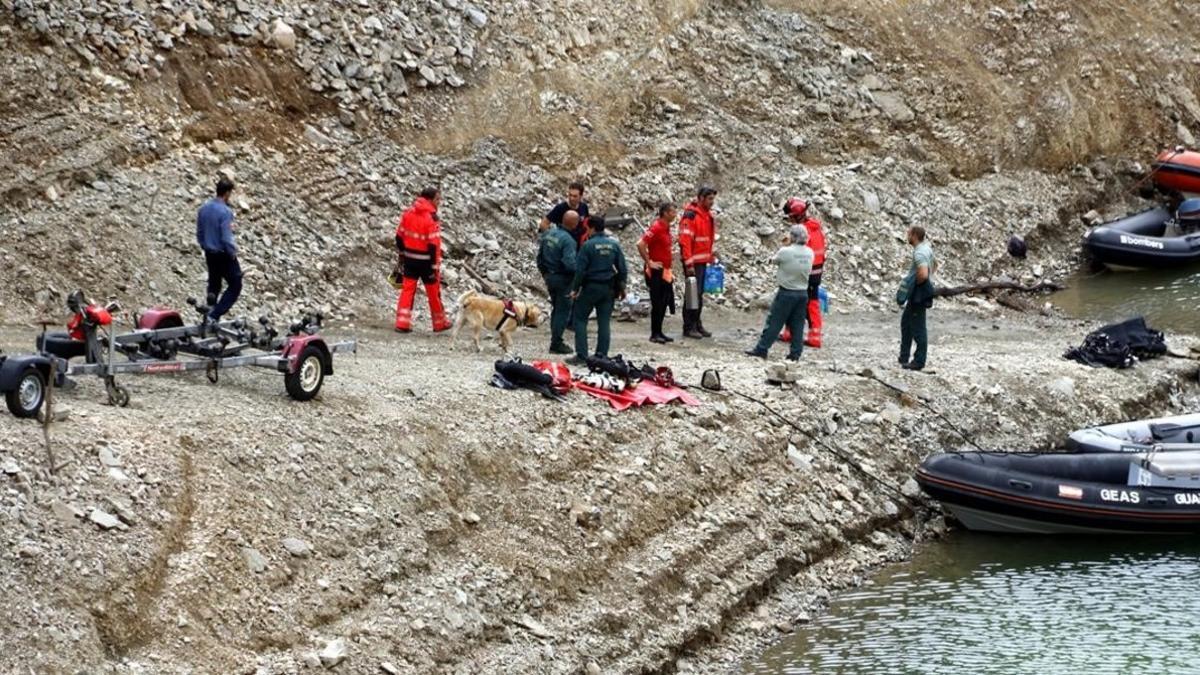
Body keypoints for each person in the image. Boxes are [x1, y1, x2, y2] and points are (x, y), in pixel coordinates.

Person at [744, 225, 813, 361]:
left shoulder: (785, 252)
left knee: (774, 322)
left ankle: (762, 349)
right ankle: (795, 353)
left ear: (792, 237)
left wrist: (786, 245)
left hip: (786, 292)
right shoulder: (810, 252)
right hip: (802, 293)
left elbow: (773, 260)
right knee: (797, 325)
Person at [569, 217, 628, 365]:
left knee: (580, 319)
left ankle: (582, 355)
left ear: (593, 228)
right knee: (604, 322)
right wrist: (622, 287)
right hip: (608, 288)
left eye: (587, 228)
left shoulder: (587, 246)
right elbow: (622, 268)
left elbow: (580, 271)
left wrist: (575, 289)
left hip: (590, 288)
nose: (586, 231)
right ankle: (601, 356)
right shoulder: (614, 245)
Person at [395, 187, 451, 333]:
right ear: (430, 200)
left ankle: (402, 323)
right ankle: (439, 323)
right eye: (438, 199)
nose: (439, 202)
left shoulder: (408, 213)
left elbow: (399, 237)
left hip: (410, 259)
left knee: (407, 291)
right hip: (426, 262)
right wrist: (434, 266)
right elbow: (433, 244)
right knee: (433, 293)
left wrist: (403, 253)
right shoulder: (431, 218)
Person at [195, 177, 242, 321]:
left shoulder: (204, 209)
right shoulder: (225, 212)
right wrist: (232, 252)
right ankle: (214, 315)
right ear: (227, 193)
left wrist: (204, 245)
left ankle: (209, 310)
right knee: (235, 283)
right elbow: (226, 237)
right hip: (223, 254)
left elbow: (200, 232)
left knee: (214, 283)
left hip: (210, 252)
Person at [537, 210, 580, 354]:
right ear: (574, 224)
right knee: (562, 310)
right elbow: (570, 265)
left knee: (556, 309)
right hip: (563, 280)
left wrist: (545, 275)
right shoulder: (568, 241)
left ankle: (555, 339)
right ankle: (556, 343)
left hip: (550, 277)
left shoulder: (548, 234)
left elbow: (539, 258)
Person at [679, 185, 717, 339]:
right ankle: (689, 327)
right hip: (693, 262)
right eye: (709, 199)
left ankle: (696, 323)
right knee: (692, 294)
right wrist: (688, 264)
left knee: (698, 294)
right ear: (700, 198)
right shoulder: (691, 216)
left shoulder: (706, 215)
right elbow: (685, 241)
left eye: (713, 199)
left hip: (701, 261)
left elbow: (706, 239)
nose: (712, 202)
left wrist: (710, 255)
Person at [896, 225, 936, 371]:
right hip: (920, 291)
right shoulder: (926, 248)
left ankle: (919, 361)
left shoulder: (920, 253)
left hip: (919, 293)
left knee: (918, 327)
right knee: (906, 323)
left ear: (914, 235)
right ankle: (904, 356)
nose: (907, 236)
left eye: (909, 233)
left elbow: (923, 273)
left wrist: (914, 284)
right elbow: (935, 266)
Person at [637, 203, 676, 344]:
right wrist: (649, 262)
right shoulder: (657, 227)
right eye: (672, 212)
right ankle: (655, 333)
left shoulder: (666, 228)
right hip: (656, 271)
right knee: (657, 302)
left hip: (664, 270)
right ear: (665, 213)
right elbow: (640, 244)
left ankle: (659, 331)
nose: (675, 214)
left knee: (664, 301)